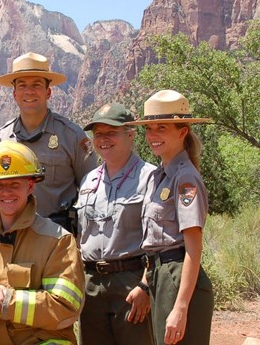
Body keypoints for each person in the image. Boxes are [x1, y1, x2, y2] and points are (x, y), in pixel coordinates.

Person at [0, 141, 85, 344]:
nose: (6, 192)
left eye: (14, 184)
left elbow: (65, 308)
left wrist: (5, 301)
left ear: (30, 186)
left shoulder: (58, 241)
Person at [127, 90, 214, 345]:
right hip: (160, 276)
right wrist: (145, 283)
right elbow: (157, 242)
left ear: (182, 131)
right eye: (149, 128)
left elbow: (193, 247)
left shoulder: (185, 178)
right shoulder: (159, 176)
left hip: (177, 279)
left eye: (161, 128)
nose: (153, 135)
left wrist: (181, 307)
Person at [0, 52, 98, 233]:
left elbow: (92, 191)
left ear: (48, 92)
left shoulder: (72, 136)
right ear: (14, 94)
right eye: (22, 85)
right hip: (12, 236)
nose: (29, 91)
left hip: (59, 237)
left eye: (36, 85)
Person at [75, 103, 156, 344]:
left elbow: (158, 241)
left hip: (131, 282)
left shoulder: (149, 177)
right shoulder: (90, 180)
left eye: (111, 132)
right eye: (98, 134)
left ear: (130, 135)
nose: (103, 139)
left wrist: (145, 285)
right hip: (91, 284)